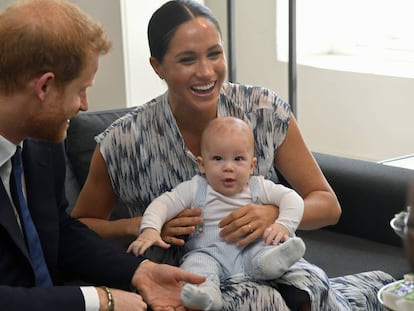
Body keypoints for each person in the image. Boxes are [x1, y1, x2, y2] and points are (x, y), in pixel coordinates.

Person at [72, 0, 395, 310]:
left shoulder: (263, 110)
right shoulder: (122, 141)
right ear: (158, 67)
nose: (207, 71)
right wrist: (139, 225)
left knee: (312, 285)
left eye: (215, 54)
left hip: (266, 263)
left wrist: (272, 214)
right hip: (185, 281)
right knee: (260, 301)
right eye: (187, 60)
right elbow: (80, 227)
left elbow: (327, 204)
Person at [0, 1, 206, 310]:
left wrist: (139, 271)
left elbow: (60, 231)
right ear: (45, 86)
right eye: (81, 90)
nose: (84, 105)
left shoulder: (43, 141)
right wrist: (98, 299)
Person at [128, 116, 306, 310]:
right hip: (208, 253)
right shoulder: (196, 188)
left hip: (250, 249)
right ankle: (206, 296)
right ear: (202, 164)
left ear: (251, 165)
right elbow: (162, 204)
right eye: (218, 159)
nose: (228, 167)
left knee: (265, 249)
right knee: (196, 268)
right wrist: (150, 229)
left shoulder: (258, 187)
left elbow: (292, 198)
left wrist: (283, 225)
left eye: (238, 159)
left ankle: (272, 264)